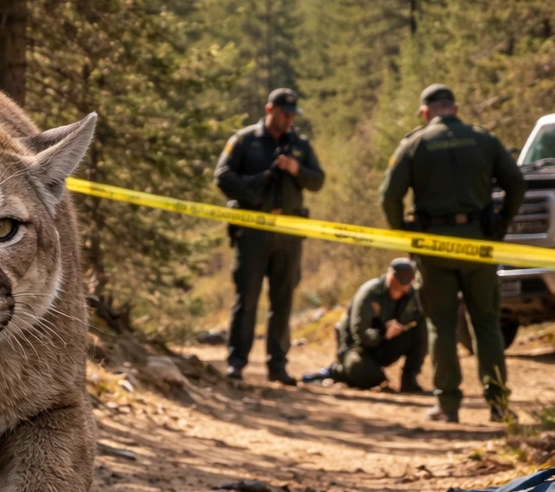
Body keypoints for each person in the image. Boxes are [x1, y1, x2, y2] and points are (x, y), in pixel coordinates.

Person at [379, 84, 526, 423]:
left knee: (441, 325)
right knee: (486, 323)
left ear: (425, 113)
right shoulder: (483, 139)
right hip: (478, 244)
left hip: (434, 247)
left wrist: (405, 232)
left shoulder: (415, 144)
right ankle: (498, 404)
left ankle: (447, 405)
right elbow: (517, 183)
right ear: (455, 109)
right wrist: (501, 222)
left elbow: (388, 196)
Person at [214, 87, 325, 386]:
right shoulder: (244, 140)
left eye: (292, 115)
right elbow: (222, 177)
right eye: (284, 114)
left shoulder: (299, 144)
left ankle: (278, 365)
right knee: (247, 298)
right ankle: (237, 362)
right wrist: (256, 188)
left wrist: (296, 169)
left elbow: (318, 181)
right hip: (252, 232)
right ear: (269, 110)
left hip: (288, 234)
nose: (289, 119)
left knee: (283, 301)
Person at [303, 258, 427, 392]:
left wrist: (400, 327)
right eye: (399, 283)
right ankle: (336, 371)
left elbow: (417, 317)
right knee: (367, 374)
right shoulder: (369, 293)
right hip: (355, 349)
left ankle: (409, 379)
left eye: (407, 284)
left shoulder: (411, 294)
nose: (403, 288)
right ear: (390, 276)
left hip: (383, 346)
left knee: (423, 328)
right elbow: (360, 335)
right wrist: (384, 333)